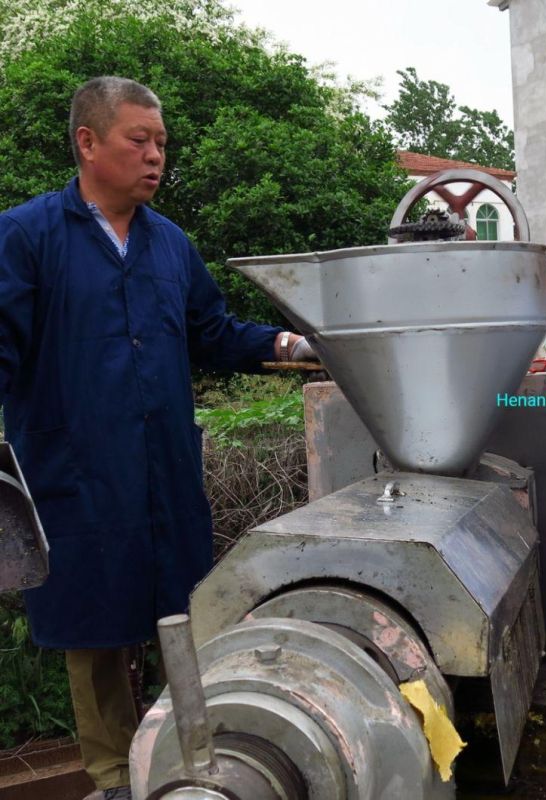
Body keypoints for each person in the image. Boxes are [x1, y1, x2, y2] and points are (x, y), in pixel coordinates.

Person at [0, 77, 315, 800]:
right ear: (88, 142)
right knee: (94, 634)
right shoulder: (26, 236)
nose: (155, 156)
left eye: (161, 143)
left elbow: (211, 331)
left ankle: (192, 758)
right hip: (73, 468)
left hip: (163, 466)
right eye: (137, 140)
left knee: (184, 616)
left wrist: (291, 341)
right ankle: (114, 777)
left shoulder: (169, 243)